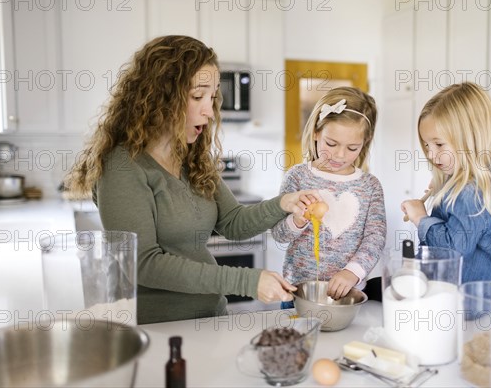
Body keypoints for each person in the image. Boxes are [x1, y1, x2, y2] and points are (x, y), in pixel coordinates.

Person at [66, 35, 321, 324]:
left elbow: (234, 223)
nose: (209, 111)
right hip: (161, 329)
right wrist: (246, 282)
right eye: (197, 97)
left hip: (212, 318)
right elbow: (145, 264)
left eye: (212, 98)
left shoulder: (193, 158)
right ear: (159, 96)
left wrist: (284, 204)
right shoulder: (122, 168)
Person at [271, 87, 387, 303]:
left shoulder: (370, 186)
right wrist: (297, 220)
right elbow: (278, 234)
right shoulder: (297, 177)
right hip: (298, 292)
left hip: (348, 294)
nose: (340, 155)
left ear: (366, 141)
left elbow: (375, 237)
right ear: (316, 132)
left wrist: (352, 272)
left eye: (352, 147)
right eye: (331, 144)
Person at [401, 82, 491, 283]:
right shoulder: (486, 181)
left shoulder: (470, 192)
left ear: (471, 138)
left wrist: (420, 218)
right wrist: (446, 186)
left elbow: (451, 250)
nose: (430, 154)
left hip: (462, 302)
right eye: (427, 145)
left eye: (439, 144)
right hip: (481, 297)